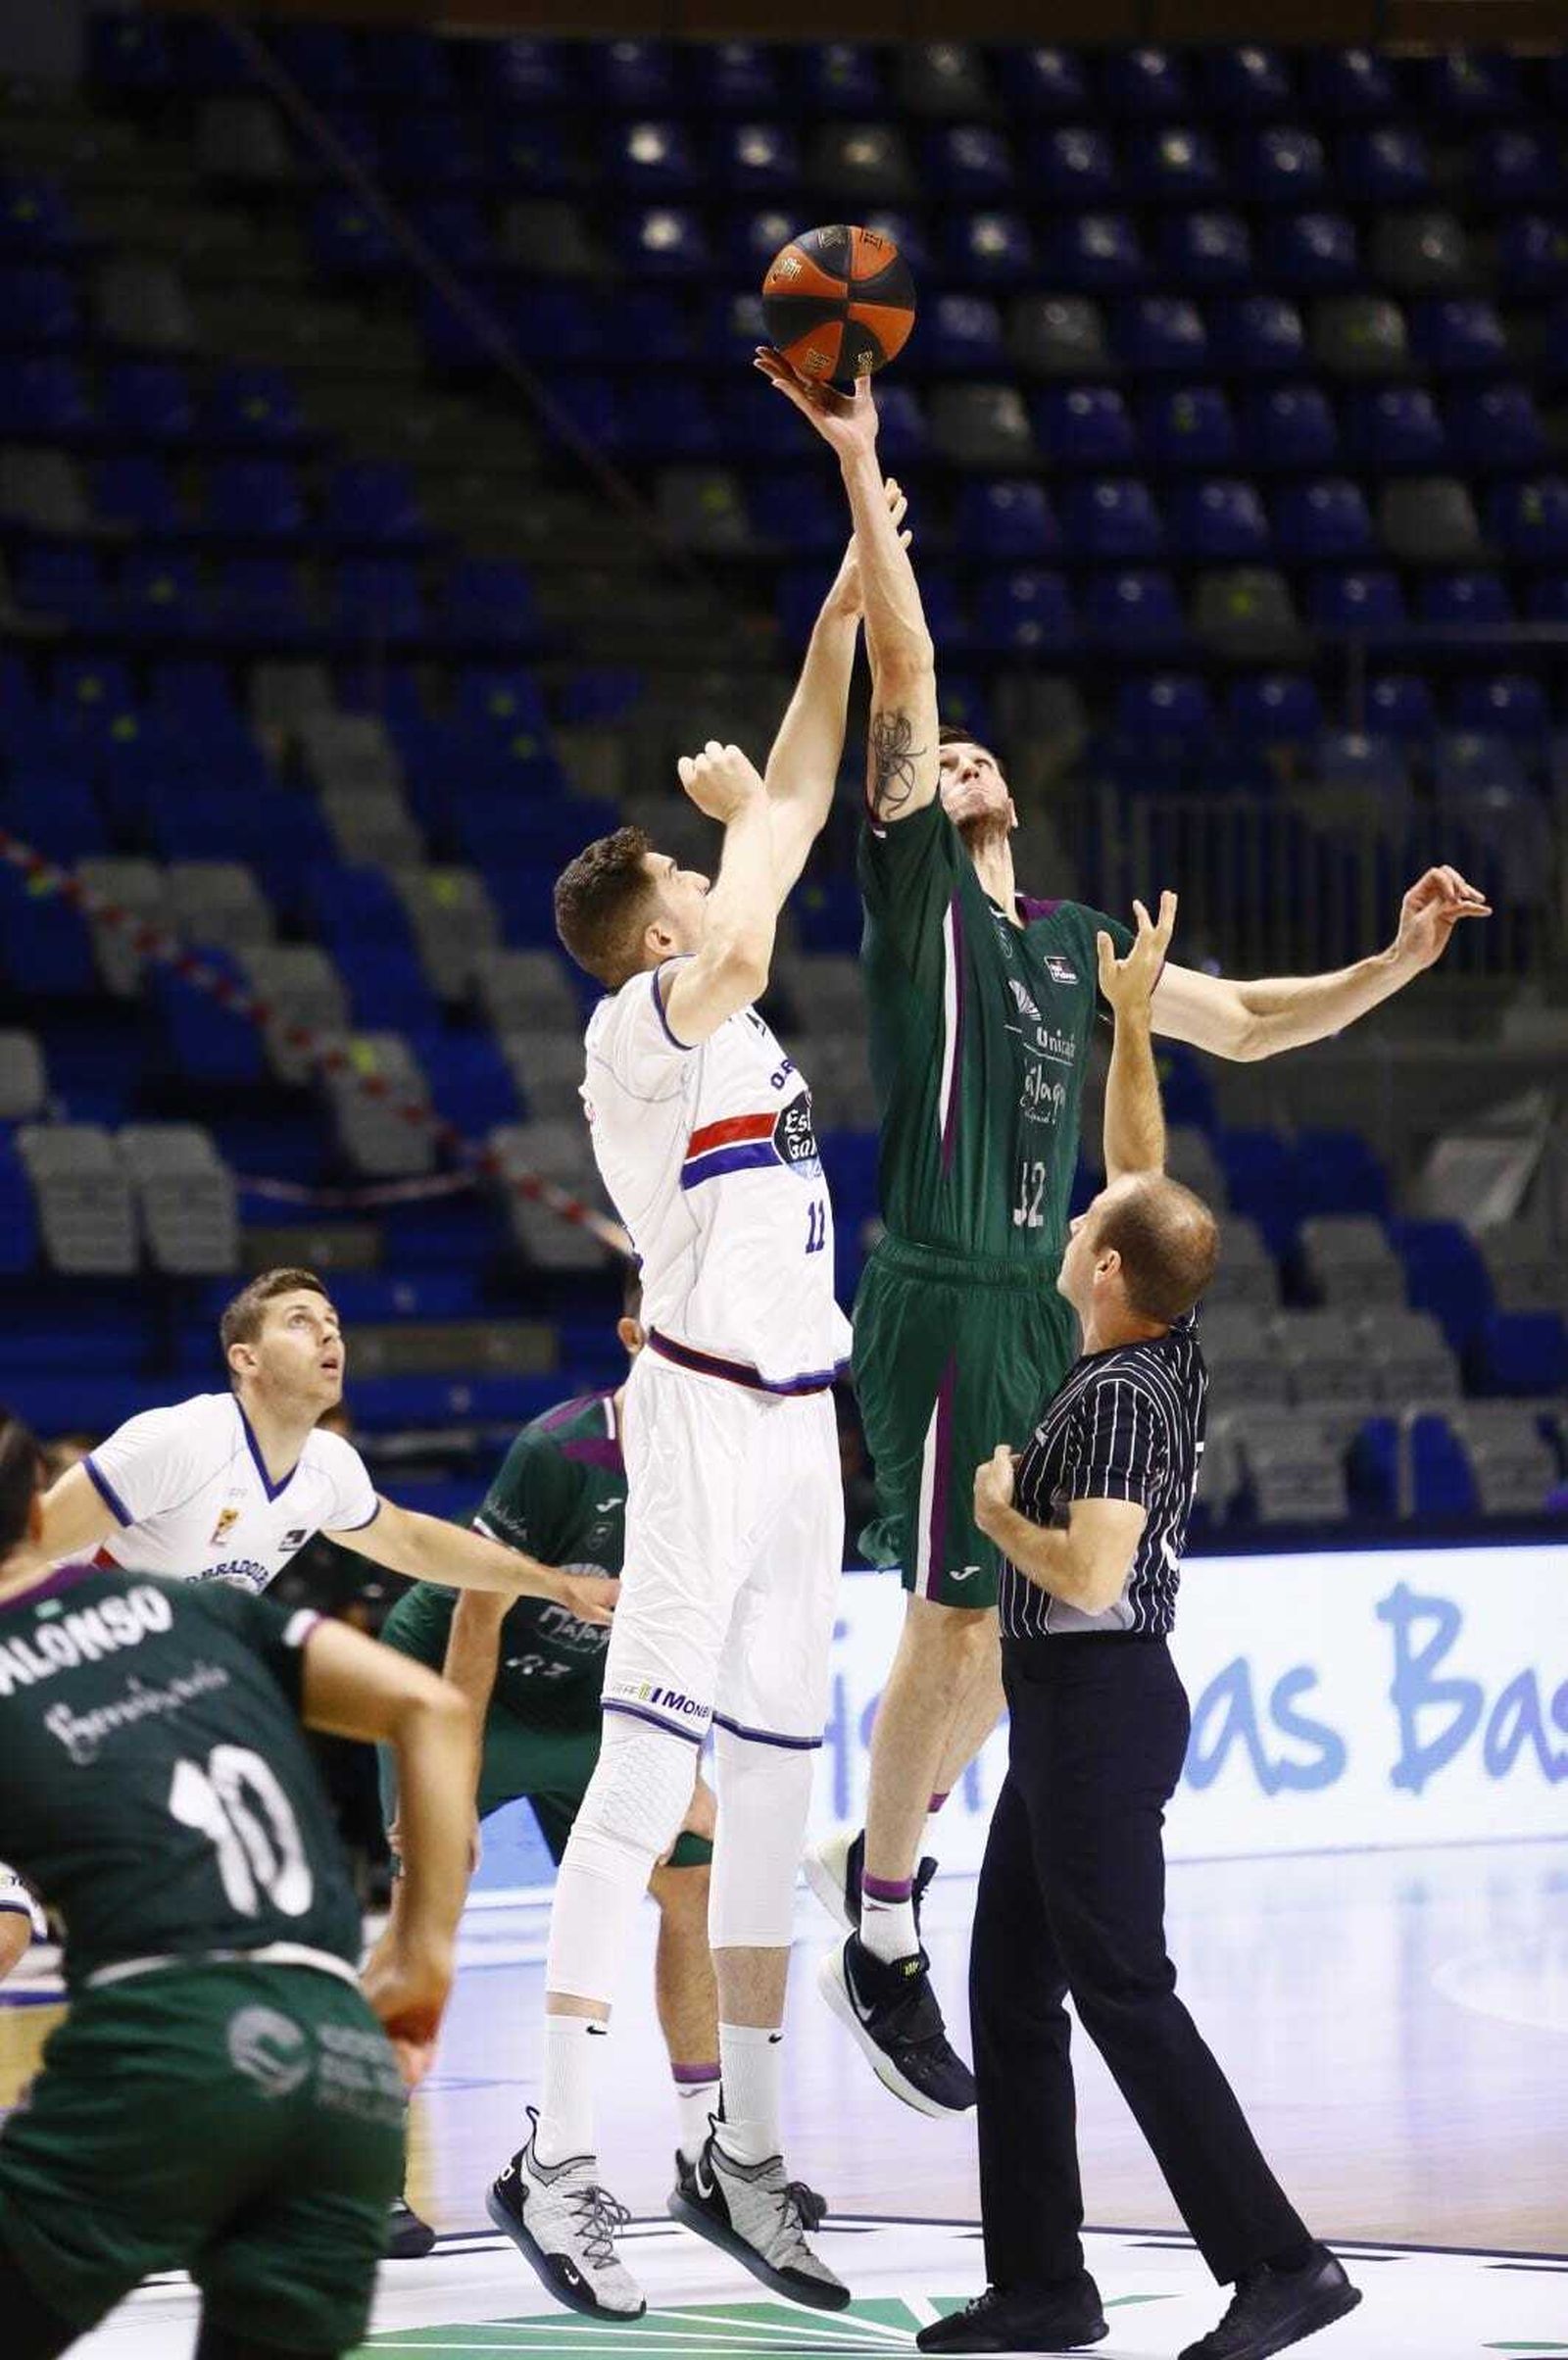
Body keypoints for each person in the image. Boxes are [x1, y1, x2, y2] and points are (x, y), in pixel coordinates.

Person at [758, 347, 1492, 2113]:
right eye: (945, 757)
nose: (963, 758)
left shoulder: (1083, 945)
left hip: (1048, 1308)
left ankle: (878, 1849)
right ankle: (880, 1930)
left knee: (1025, 1631)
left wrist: (1395, 961)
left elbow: (1255, 1026)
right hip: (943, 1290)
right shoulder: (918, 893)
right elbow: (906, 671)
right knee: (954, 1620)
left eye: (983, 754)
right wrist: (862, 466)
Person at [495, 520, 884, 2325]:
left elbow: (797, 787)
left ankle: (744, 2149)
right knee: (648, 1782)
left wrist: (851, 563)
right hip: (706, 1426)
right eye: (692, 883)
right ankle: (555, 2151)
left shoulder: (729, 1006)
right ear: (656, 933)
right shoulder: (638, 1036)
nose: (717, 885)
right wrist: (742, 826)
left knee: (777, 1789)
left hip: (804, 1431)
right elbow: (761, 872)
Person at [913, 902, 1359, 2360]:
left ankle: (1282, 2262)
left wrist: (996, 1517)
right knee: (1010, 1988)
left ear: (1106, 1270)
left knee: (1121, 1987)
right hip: (1076, 1704)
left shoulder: (1110, 1393)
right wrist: (1126, 1026)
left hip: (1097, 1694)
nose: (1074, 1225)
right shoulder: (1160, 1341)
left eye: (1085, 1230)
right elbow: (1139, 1175)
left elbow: (1094, 1572)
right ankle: (1044, 2284)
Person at [0, 1405, 474, 2360]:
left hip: (173, 2050)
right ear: (41, 1511)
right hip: (344, 2065)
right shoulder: (197, 1608)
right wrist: (422, 1956)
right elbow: (432, 1707)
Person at [373, 1285, 719, 2259]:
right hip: (455, 1681)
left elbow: (704, 1623)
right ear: (634, 1336)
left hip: (592, 1702)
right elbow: (475, 1611)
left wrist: (688, 1758)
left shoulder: (723, 1461)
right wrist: (449, 1783)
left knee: (692, 1883)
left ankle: (708, 2155)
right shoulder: (563, 1449)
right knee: (429, 1902)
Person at [22, 1267, 615, 1626]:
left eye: (332, 1321)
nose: (329, 1332)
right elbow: (26, 1547)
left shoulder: (329, 1465)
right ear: (246, 1359)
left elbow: (409, 1541)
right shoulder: (182, 1440)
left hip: (172, 1674)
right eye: (299, 1321)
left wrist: (555, 1584)